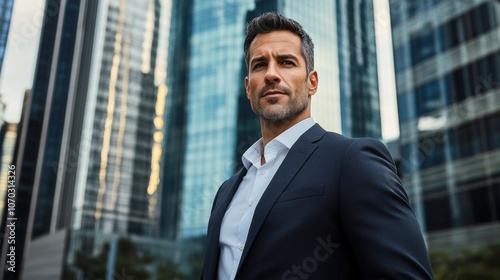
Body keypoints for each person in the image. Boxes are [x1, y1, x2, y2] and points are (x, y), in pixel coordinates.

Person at [201, 12, 434, 280]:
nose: (271, 74)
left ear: (312, 82)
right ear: (248, 88)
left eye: (286, 63)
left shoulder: (352, 161)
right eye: (259, 65)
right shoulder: (226, 191)